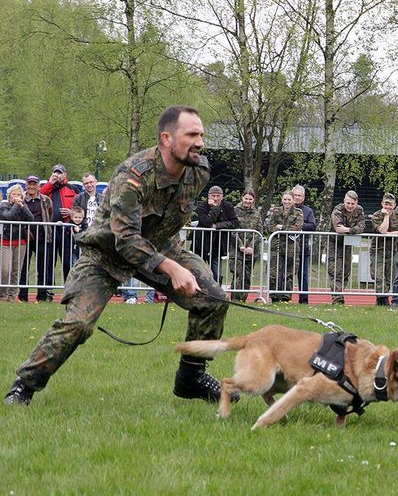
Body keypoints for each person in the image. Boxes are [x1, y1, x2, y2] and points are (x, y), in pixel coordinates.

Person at [4, 105, 231, 406]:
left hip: (161, 246)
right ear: (166, 138)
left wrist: (172, 261)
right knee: (78, 324)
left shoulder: (199, 171)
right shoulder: (134, 175)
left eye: (201, 134)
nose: (200, 142)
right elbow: (125, 239)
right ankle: (24, 386)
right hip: (106, 254)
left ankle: (190, 378)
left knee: (213, 298)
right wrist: (172, 269)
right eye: (191, 134)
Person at [40, 164, 79, 283]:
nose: (57, 175)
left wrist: (71, 212)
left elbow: (80, 209)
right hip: (50, 231)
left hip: (66, 231)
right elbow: (39, 197)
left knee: (67, 262)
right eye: (55, 172)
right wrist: (50, 183)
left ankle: (68, 289)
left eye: (60, 173)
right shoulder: (47, 187)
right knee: (49, 262)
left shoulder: (72, 189)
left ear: (65, 174)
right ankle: (48, 291)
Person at [18, 175, 53, 302]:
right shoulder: (21, 199)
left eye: (34, 184)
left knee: (42, 268)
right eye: (29, 184)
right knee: (23, 268)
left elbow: (50, 214)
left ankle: (42, 296)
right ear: (26, 185)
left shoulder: (46, 200)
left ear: (39, 185)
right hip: (25, 239)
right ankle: (22, 296)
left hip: (42, 239)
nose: (32, 186)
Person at [193, 185, 239, 282]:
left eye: (218, 196)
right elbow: (206, 222)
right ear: (208, 196)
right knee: (197, 273)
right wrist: (214, 208)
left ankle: (216, 295)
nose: (215, 198)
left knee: (217, 274)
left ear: (222, 196)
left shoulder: (228, 206)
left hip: (217, 246)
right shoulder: (202, 206)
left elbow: (235, 223)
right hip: (200, 244)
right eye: (213, 196)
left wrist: (217, 226)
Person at [370, 193, 398, 306]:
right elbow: (382, 230)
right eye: (386, 204)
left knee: (390, 276)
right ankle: (382, 298)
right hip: (378, 250)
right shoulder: (376, 215)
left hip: (392, 250)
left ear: (394, 205)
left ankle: (382, 297)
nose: (388, 207)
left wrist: (392, 233)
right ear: (382, 204)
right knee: (378, 276)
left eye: (390, 204)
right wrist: (386, 216)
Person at [266, 191, 304, 303]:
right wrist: (280, 228)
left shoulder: (298, 212)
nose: (287, 202)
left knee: (289, 273)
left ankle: (286, 296)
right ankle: (274, 296)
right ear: (282, 200)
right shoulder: (276, 211)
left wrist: (281, 228)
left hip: (291, 246)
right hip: (276, 246)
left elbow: (297, 227)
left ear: (293, 201)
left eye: (289, 200)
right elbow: (270, 227)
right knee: (274, 272)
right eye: (285, 199)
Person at [328, 191, 364, 305]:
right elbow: (338, 228)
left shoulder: (359, 210)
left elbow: (362, 227)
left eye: (352, 204)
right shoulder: (338, 209)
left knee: (346, 271)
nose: (350, 206)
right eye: (348, 203)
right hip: (334, 244)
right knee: (336, 271)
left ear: (356, 203)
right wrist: (352, 229)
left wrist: (348, 230)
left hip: (348, 244)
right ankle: (337, 299)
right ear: (344, 201)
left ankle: (340, 293)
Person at [1, 184, 34, 301]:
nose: (16, 196)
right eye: (14, 194)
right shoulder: (4, 205)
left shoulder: (23, 206)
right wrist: (16, 205)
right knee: (5, 269)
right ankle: (3, 295)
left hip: (20, 242)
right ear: (10, 195)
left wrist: (22, 206)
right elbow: (8, 217)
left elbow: (31, 218)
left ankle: (12, 295)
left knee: (16, 271)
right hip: (6, 241)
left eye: (19, 194)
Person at [229, 190, 263, 301]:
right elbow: (232, 229)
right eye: (246, 198)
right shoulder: (234, 211)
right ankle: (235, 299)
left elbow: (259, 232)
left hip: (251, 252)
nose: (248, 201)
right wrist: (240, 245)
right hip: (237, 250)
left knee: (247, 276)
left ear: (253, 200)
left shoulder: (256, 214)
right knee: (238, 275)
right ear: (242, 198)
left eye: (250, 199)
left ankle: (243, 300)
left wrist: (251, 246)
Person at [292, 185, 317, 304]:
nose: (297, 198)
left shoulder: (308, 211)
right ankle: (282, 297)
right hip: (285, 248)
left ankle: (303, 301)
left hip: (303, 248)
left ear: (303, 197)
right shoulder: (284, 208)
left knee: (303, 276)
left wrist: (297, 227)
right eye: (295, 195)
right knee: (284, 274)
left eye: (299, 195)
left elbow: (312, 226)